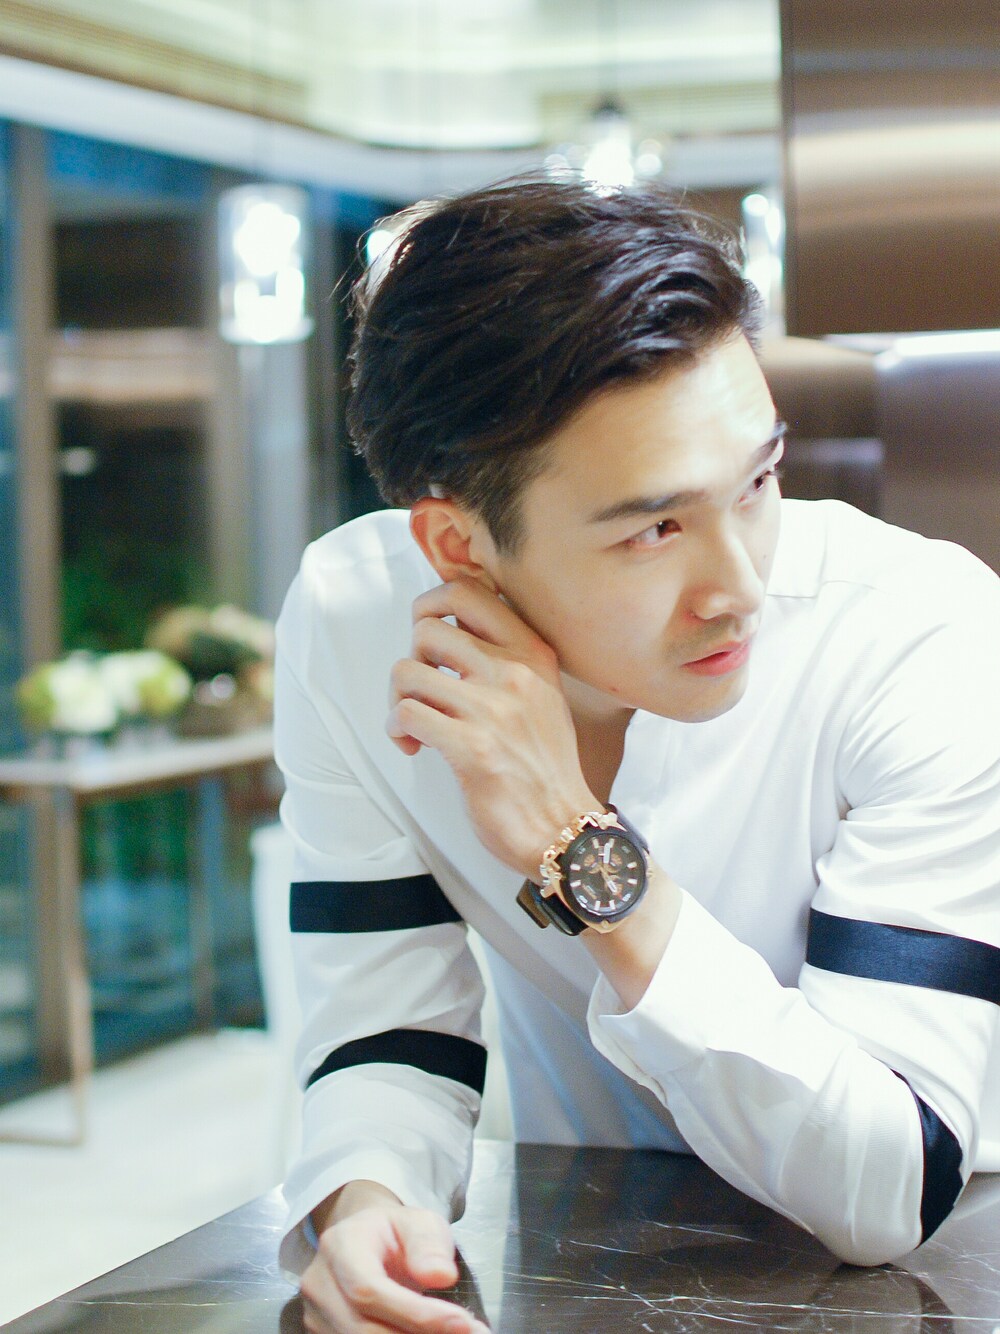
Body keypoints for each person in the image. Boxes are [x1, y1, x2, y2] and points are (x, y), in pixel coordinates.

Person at [273, 176, 1000, 1334]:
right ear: (456, 544)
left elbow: (892, 1186)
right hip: (589, 1251)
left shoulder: (919, 633)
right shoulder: (354, 623)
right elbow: (384, 1022)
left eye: (757, 481)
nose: (738, 587)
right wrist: (369, 1199)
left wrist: (574, 844)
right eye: (655, 527)